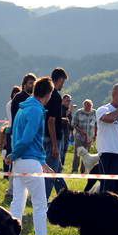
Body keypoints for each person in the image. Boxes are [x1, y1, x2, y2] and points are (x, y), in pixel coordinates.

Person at [10, 77, 54, 235]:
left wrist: (41, 162)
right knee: (40, 206)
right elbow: (28, 138)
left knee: (18, 202)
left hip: (21, 162)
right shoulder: (36, 110)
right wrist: (13, 154)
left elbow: (24, 137)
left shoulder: (24, 108)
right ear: (48, 94)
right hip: (28, 161)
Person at [44, 68, 69, 199]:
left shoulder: (46, 94)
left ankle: (66, 197)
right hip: (53, 139)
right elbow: (51, 121)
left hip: (45, 136)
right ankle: (43, 200)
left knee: (57, 169)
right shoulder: (55, 96)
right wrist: (54, 145)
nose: (63, 85)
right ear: (59, 80)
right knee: (51, 172)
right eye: (63, 82)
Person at [71, 99, 97, 172]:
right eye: (86, 106)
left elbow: (96, 124)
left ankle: (83, 170)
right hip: (79, 137)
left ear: (92, 106)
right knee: (77, 154)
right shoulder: (78, 112)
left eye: (89, 106)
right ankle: (74, 170)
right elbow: (73, 124)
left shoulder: (95, 112)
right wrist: (81, 131)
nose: (88, 108)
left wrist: (95, 135)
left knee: (86, 155)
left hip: (89, 137)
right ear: (84, 106)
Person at [60, 94, 73, 166]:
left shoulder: (68, 110)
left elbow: (70, 122)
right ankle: (59, 167)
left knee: (65, 150)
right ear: (63, 101)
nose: (69, 102)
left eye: (70, 101)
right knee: (61, 150)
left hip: (67, 132)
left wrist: (71, 131)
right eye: (67, 100)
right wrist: (67, 114)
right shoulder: (60, 108)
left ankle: (62, 166)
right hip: (61, 132)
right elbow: (61, 119)